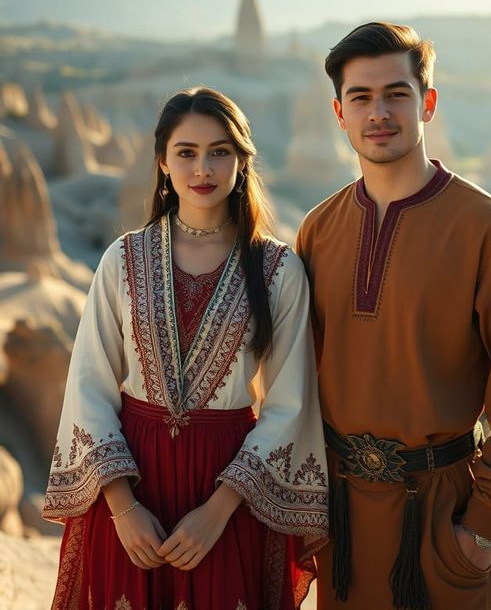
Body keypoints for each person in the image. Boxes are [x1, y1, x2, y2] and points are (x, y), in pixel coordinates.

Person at [296, 22, 491, 608]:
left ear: (428, 103)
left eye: (396, 93)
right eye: (361, 97)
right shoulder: (319, 231)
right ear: (339, 113)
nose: (379, 113)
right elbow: (298, 380)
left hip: (444, 520)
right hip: (342, 522)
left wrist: (480, 530)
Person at [44, 88, 327, 609]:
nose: (203, 168)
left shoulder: (278, 270)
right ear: (162, 162)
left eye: (220, 151)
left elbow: (291, 402)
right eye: (187, 152)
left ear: (242, 163)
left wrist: (217, 511)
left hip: (230, 494)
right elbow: (89, 383)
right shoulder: (122, 260)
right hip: (129, 486)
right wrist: (122, 507)